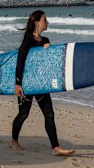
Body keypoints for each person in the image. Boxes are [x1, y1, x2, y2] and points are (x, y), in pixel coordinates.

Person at [11, 10, 75, 157]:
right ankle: (14, 141)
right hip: (27, 83)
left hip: (40, 83)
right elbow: (20, 61)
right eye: (45, 19)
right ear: (37, 22)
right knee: (23, 114)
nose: (47, 22)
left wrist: (47, 49)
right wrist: (17, 83)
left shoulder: (45, 40)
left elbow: (48, 63)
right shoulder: (27, 39)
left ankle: (56, 147)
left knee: (49, 114)